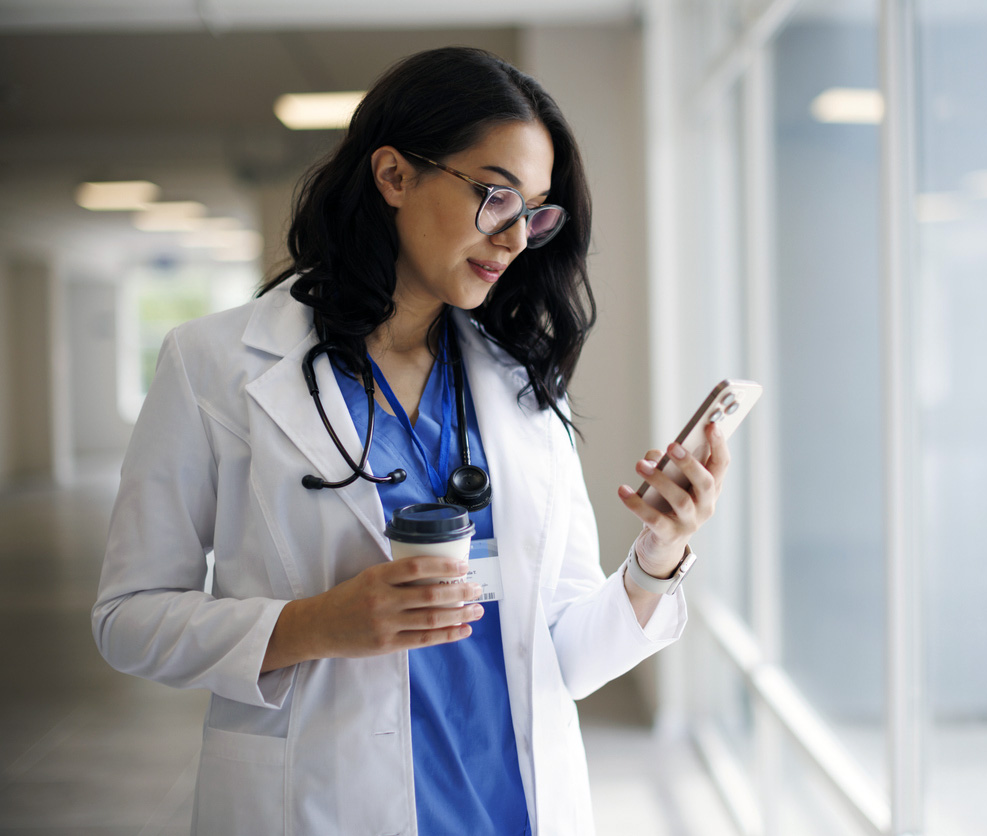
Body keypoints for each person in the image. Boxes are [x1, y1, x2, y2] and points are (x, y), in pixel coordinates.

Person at [92, 46, 731, 835]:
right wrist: (314, 625)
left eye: (534, 210)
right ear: (393, 176)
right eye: (494, 196)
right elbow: (127, 618)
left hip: (511, 810)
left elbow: (566, 657)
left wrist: (657, 555)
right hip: (318, 806)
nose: (515, 238)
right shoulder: (213, 365)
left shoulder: (521, 387)